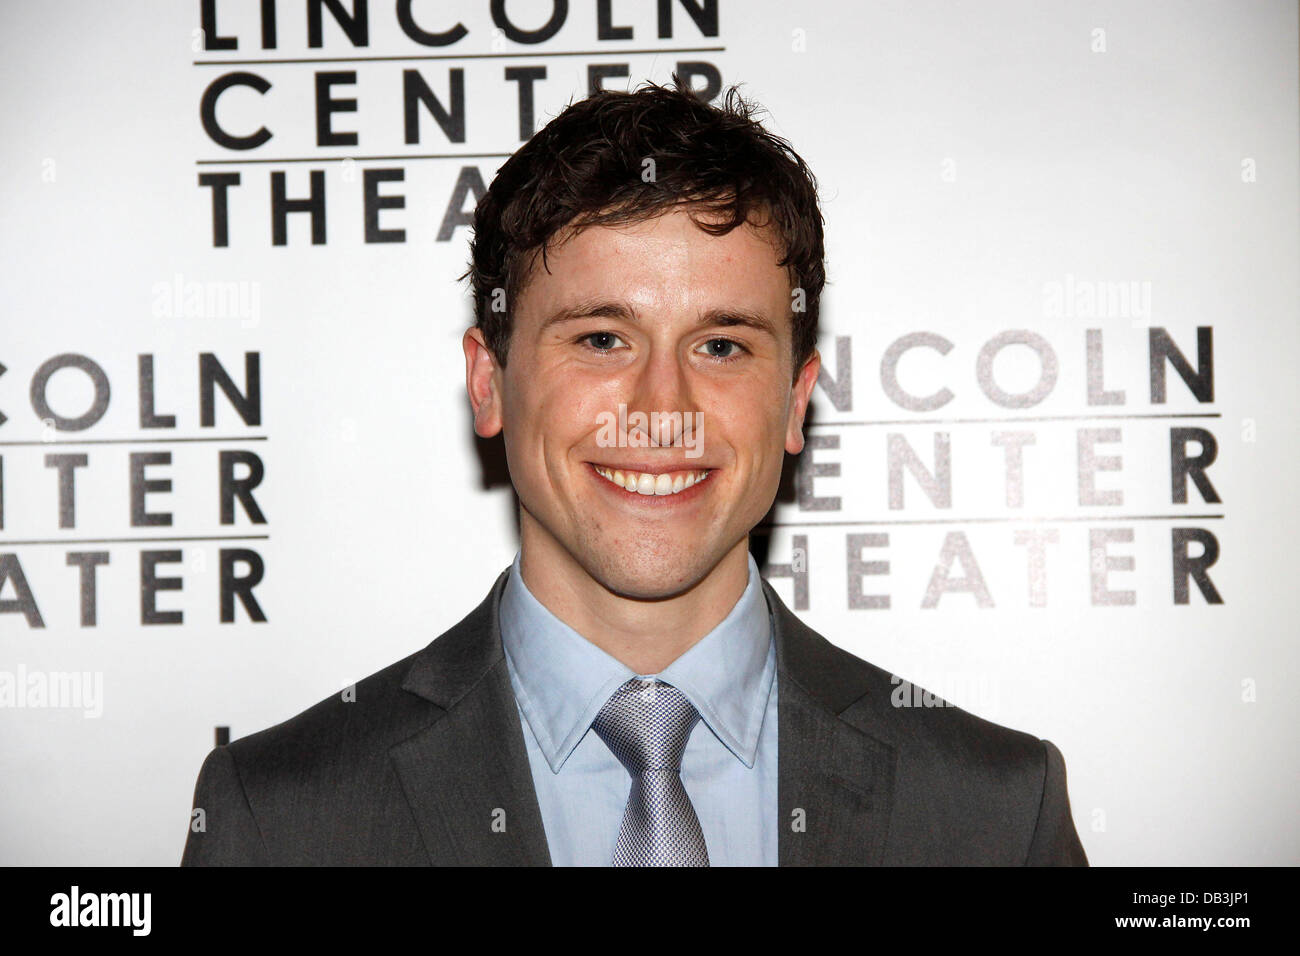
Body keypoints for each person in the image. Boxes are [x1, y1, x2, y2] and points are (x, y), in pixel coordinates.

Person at [181, 78, 1088, 866]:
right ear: (488, 382)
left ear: (796, 400)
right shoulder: (280, 819)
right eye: (603, 338)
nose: (664, 405)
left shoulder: (996, 813)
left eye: (723, 344)